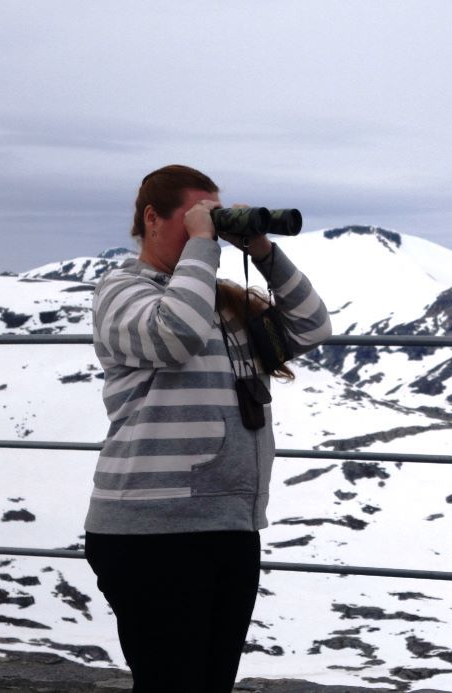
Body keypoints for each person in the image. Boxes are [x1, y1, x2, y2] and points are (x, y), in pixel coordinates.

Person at [82, 164, 332, 691]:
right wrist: (202, 247)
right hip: (153, 530)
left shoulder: (219, 301)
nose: (210, 233)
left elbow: (312, 327)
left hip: (231, 523)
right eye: (196, 219)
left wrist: (263, 252)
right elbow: (173, 335)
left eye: (215, 221)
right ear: (152, 218)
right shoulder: (121, 290)